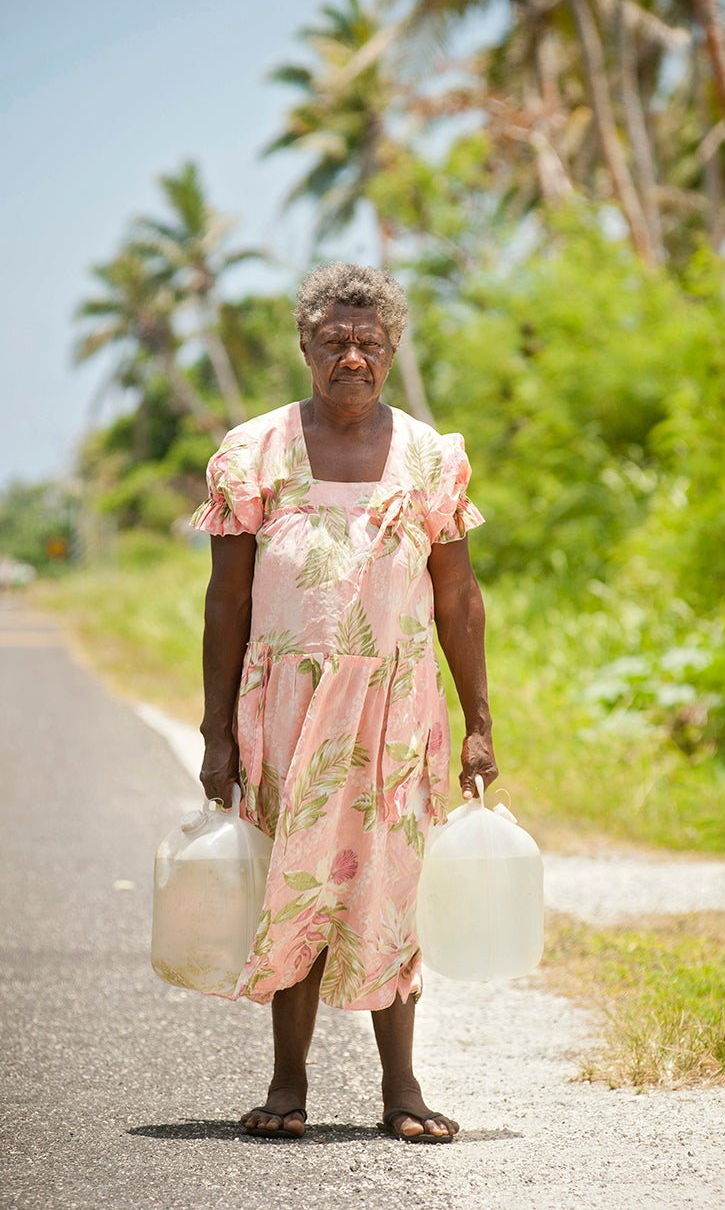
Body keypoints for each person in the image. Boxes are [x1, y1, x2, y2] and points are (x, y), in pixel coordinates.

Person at [192, 262, 497, 1144]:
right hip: (286, 707)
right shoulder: (254, 451)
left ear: (393, 349)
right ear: (306, 347)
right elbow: (227, 602)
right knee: (299, 879)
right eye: (335, 341)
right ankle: (288, 1085)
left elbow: (459, 599)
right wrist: (217, 733)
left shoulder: (431, 456)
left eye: (369, 342)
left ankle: (402, 1089)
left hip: (398, 711)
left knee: (390, 884)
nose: (352, 357)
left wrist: (479, 723)